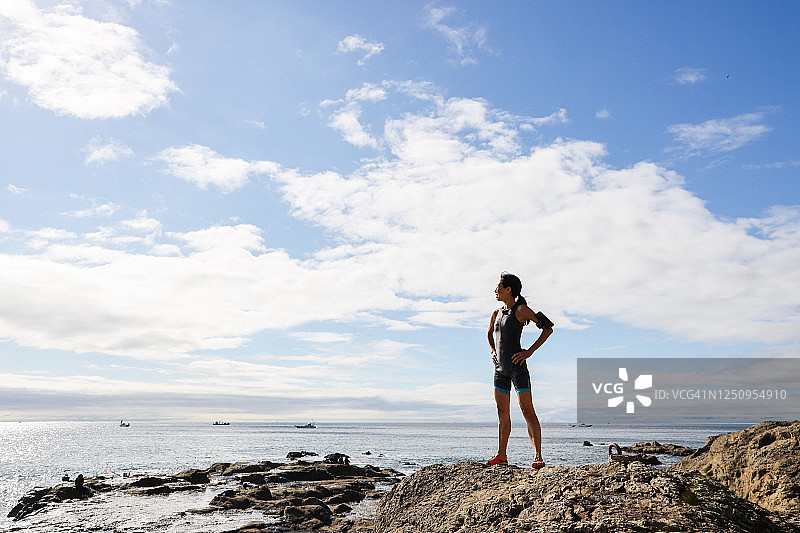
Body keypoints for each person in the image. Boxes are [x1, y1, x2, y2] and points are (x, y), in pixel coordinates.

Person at [486, 272, 553, 469]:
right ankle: (501, 455)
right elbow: (489, 334)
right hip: (500, 370)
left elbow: (547, 328)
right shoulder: (496, 313)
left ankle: (538, 456)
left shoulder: (521, 310)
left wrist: (529, 352)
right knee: (502, 413)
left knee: (527, 410)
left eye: (498, 287)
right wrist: (492, 351)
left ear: (509, 289)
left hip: (517, 369)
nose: (495, 290)